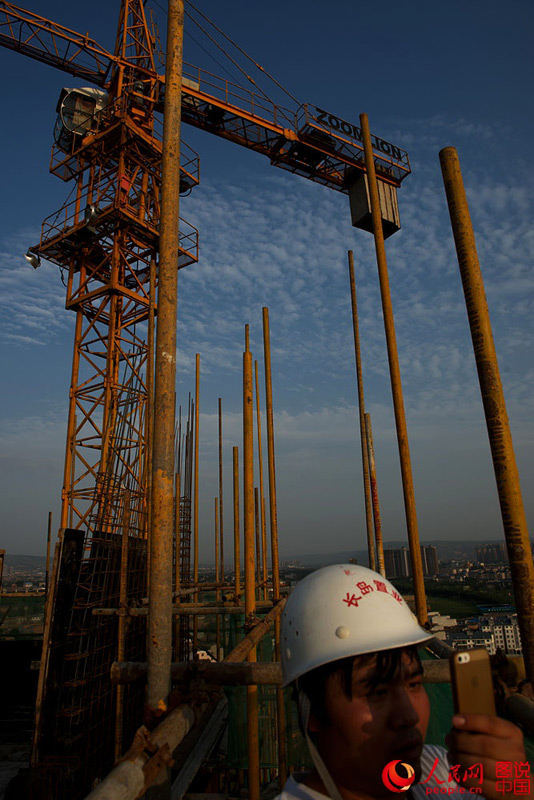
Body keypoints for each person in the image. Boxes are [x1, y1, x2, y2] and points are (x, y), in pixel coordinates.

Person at [277, 564, 531, 800]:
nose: (408, 715)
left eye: (414, 684)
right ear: (312, 712)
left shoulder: (442, 772)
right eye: (376, 691)